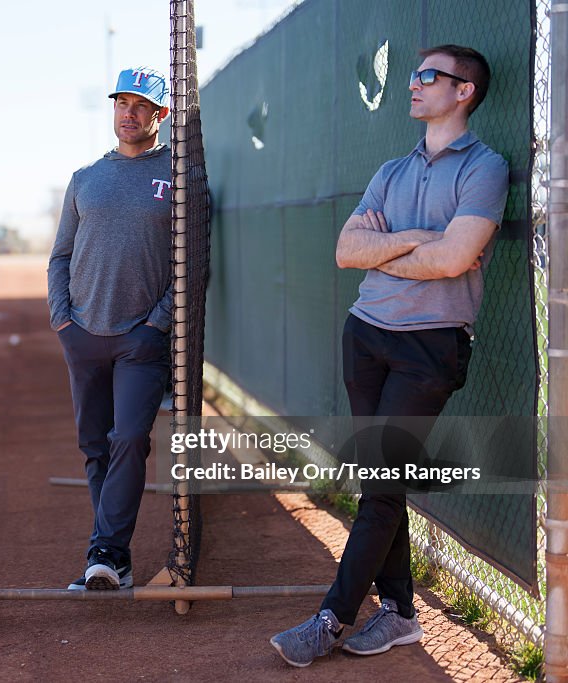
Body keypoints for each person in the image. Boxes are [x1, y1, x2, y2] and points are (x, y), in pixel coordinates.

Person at [270, 44, 509, 666]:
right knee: (382, 479)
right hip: (366, 335)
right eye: (413, 75)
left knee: (379, 486)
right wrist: (418, 240)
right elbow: (347, 250)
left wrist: (389, 248)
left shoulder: (484, 168)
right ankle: (400, 613)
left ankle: (332, 618)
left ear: (464, 92)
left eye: (429, 76)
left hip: (428, 348)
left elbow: (455, 260)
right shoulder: (391, 169)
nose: (413, 84)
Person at [47, 66, 174, 591]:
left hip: (140, 339)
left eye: (141, 105)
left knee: (130, 438)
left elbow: (197, 263)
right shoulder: (85, 179)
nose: (129, 113)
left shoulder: (180, 177)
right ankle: (112, 558)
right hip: (83, 335)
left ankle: (105, 551)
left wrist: (156, 325)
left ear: (160, 115)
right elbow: (60, 258)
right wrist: (63, 321)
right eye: (122, 103)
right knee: (94, 446)